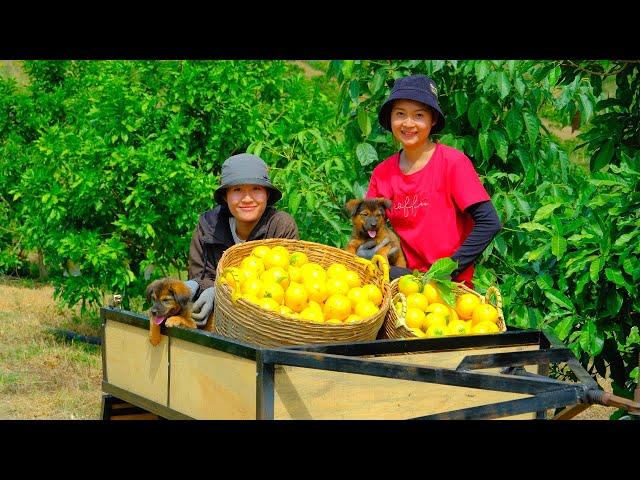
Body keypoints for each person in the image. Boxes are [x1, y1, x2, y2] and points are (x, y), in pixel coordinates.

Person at [357, 74, 501, 288]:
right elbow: (369, 229)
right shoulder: (383, 173)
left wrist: (446, 271)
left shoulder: (452, 163)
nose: (408, 123)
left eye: (418, 115)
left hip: (449, 284)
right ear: (390, 119)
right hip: (406, 279)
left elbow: (490, 223)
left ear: (432, 120)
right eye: (400, 114)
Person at [184, 153, 299, 326]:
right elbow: (199, 276)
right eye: (237, 190)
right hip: (215, 324)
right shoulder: (209, 226)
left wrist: (221, 292)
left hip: (265, 324)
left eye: (256, 189)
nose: (247, 199)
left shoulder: (280, 226)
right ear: (225, 196)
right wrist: (209, 290)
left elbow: (287, 283)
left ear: (267, 194)